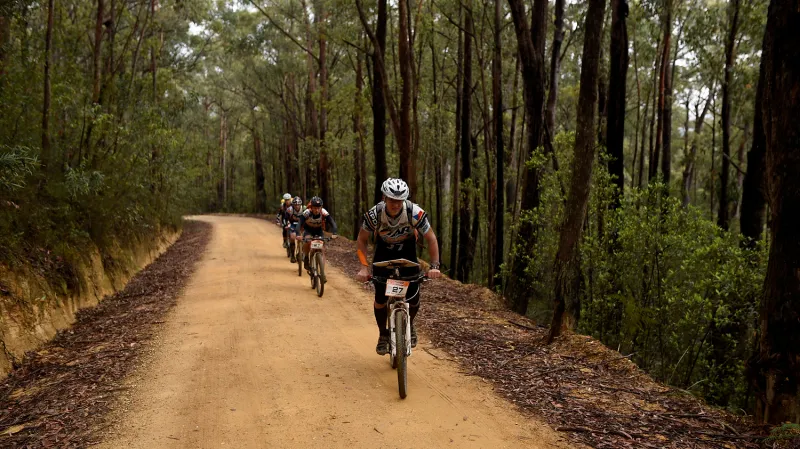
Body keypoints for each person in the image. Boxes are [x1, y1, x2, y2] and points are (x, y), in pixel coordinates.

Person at [355, 178, 441, 355]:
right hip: (383, 251)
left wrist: (434, 265)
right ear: (384, 198)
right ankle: (383, 335)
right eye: (391, 199)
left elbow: (431, 239)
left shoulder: (414, 212)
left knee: (414, 294)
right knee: (380, 297)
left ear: (405, 199)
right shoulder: (375, 214)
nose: (395, 204)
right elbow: (361, 240)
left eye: (399, 200)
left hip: (407, 250)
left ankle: (410, 324)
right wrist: (364, 267)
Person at [296, 196, 338, 273]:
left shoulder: (324, 212)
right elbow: (300, 223)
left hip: (319, 230)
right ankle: (306, 257)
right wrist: (298, 234)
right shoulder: (307, 212)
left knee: (322, 249)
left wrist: (334, 232)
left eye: (318, 208)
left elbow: (332, 222)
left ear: (321, 207)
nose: (317, 210)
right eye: (315, 208)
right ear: (311, 207)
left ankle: (322, 272)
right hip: (308, 230)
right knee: (308, 241)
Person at [285, 196, 304, 262]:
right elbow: (286, 218)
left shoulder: (304, 209)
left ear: (300, 205)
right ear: (293, 205)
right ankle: (292, 255)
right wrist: (286, 224)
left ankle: (301, 253)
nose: (297, 206)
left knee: (305, 237)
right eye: (295, 205)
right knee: (292, 237)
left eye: (298, 205)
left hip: (301, 225)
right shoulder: (289, 209)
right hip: (292, 224)